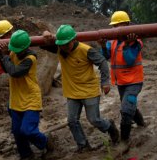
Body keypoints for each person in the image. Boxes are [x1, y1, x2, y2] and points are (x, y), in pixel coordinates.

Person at [42, 25, 119, 152]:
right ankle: (83, 145)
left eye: (66, 44)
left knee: (94, 119)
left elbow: (103, 62)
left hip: (89, 91)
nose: (64, 48)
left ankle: (110, 127)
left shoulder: (86, 50)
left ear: (73, 40)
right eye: (61, 45)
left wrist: (105, 82)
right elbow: (44, 44)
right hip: (72, 92)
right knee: (72, 121)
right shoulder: (60, 48)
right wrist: (45, 34)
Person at [0, 30, 53, 160]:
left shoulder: (30, 58)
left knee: (28, 130)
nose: (16, 52)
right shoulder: (14, 52)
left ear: (26, 47)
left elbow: (14, 72)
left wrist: (5, 56)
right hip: (16, 98)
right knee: (17, 132)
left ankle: (46, 142)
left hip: (30, 98)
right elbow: (6, 68)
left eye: (18, 50)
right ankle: (26, 155)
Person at [99, 11, 146, 146]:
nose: (116, 29)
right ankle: (141, 123)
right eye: (114, 26)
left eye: (119, 26)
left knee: (126, 110)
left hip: (134, 82)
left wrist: (127, 44)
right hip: (121, 82)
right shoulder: (112, 41)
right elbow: (107, 56)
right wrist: (103, 46)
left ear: (128, 25)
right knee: (130, 105)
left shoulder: (136, 42)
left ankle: (124, 140)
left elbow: (130, 60)